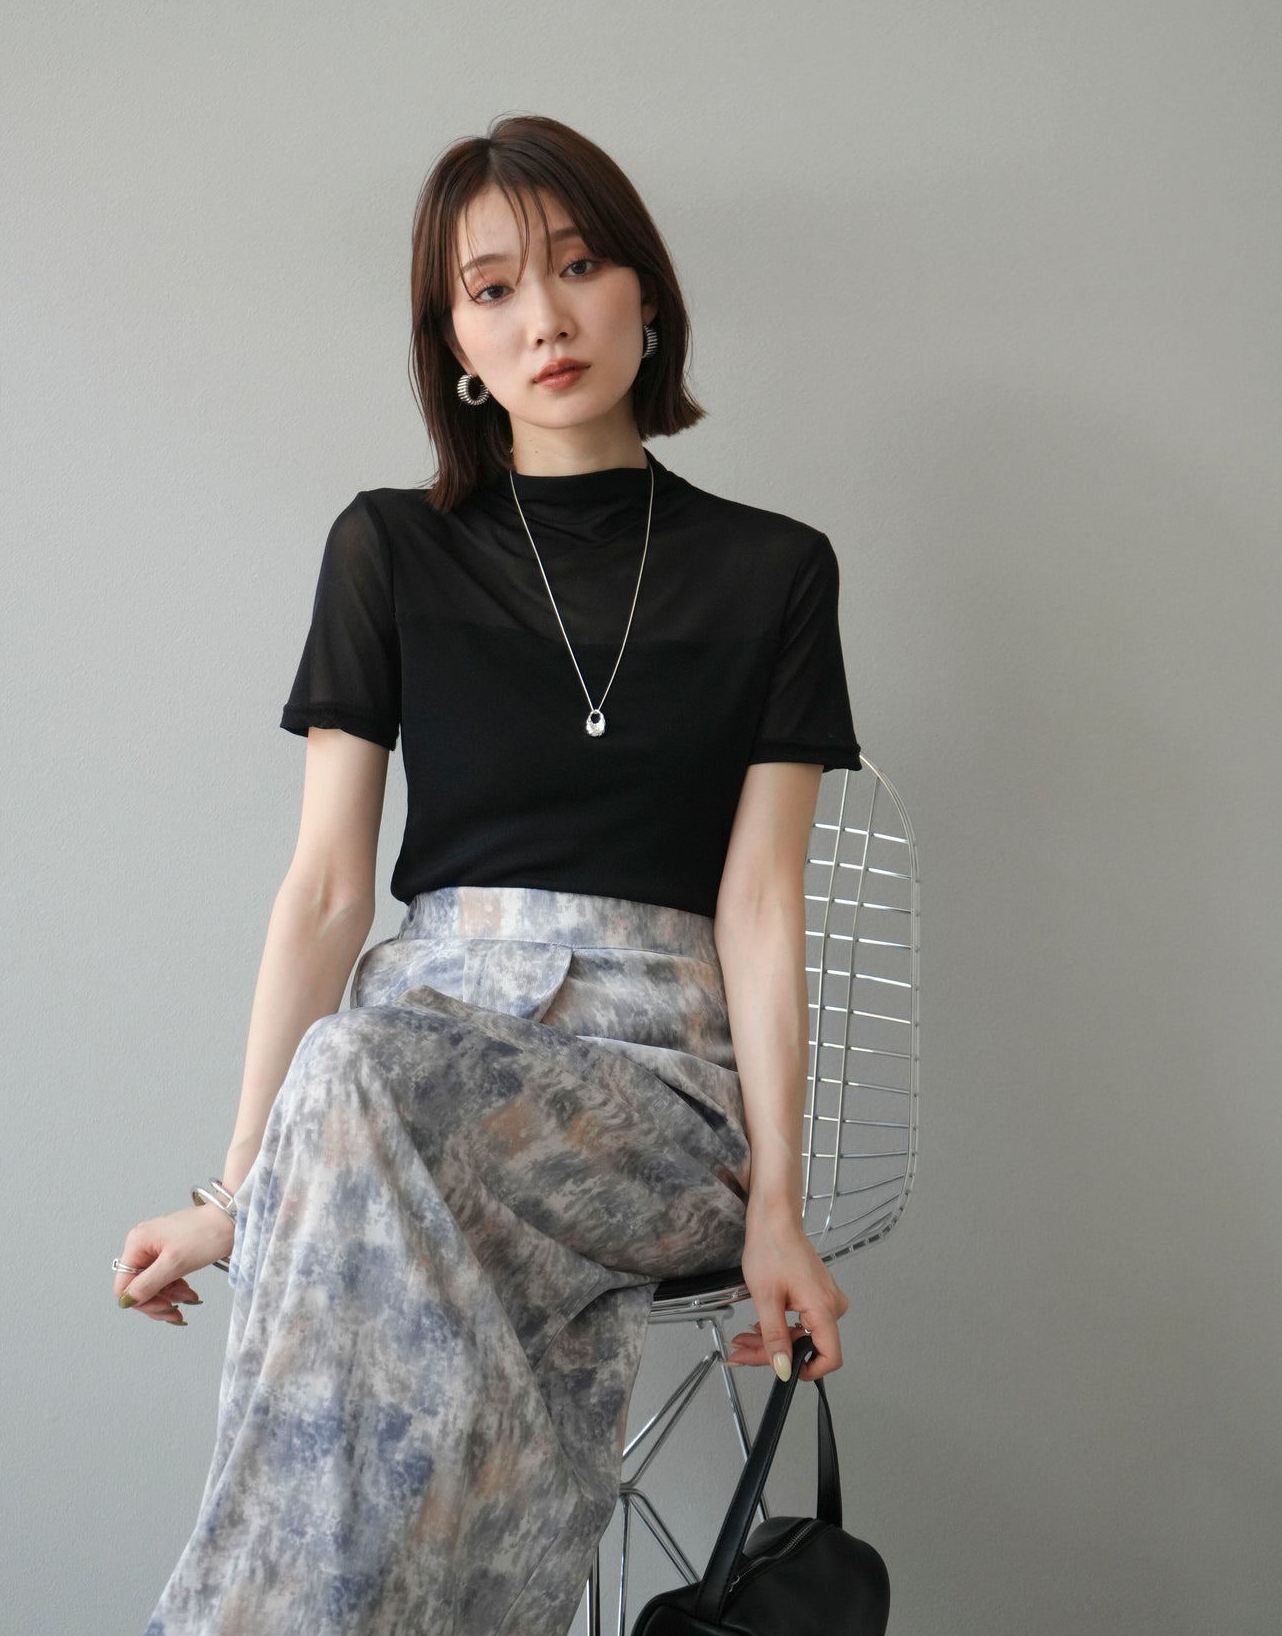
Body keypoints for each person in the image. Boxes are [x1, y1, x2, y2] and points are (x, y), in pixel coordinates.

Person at [115, 113, 860, 1635]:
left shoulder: (774, 569)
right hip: (409, 1072)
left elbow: (760, 904)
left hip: (654, 1094)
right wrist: (238, 1190)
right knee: (362, 1084)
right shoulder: (389, 548)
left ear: (646, 296)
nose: (545, 319)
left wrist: (778, 1206)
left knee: (359, 1086)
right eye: (494, 288)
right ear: (452, 340)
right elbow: (328, 893)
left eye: (578, 268)